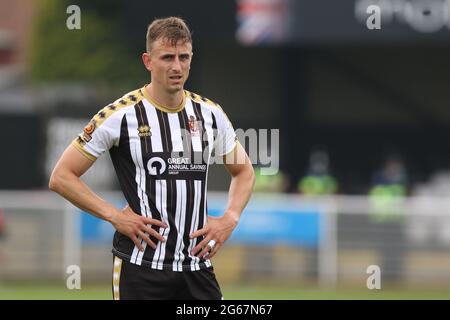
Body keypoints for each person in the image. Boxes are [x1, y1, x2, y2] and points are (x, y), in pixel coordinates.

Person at [49, 17, 255, 300]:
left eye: (184, 57)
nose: (177, 66)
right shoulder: (120, 116)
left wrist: (230, 218)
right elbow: (61, 176)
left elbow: (244, 171)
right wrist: (113, 215)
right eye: (167, 57)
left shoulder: (210, 114)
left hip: (196, 267)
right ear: (148, 61)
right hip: (140, 268)